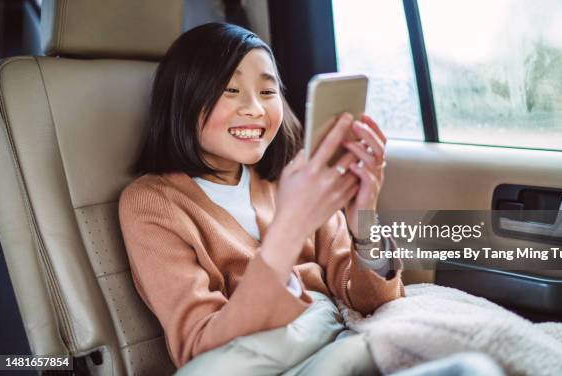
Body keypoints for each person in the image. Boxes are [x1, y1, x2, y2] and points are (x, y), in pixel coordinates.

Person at [118, 22, 404, 374]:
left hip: (333, 338)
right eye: (230, 89)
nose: (254, 108)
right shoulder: (152, 203)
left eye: (268, 92)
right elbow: (202, 352)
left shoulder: (290, 176)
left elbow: (369, 300)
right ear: (184, 100)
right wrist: (290, 228)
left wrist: (364, 217)